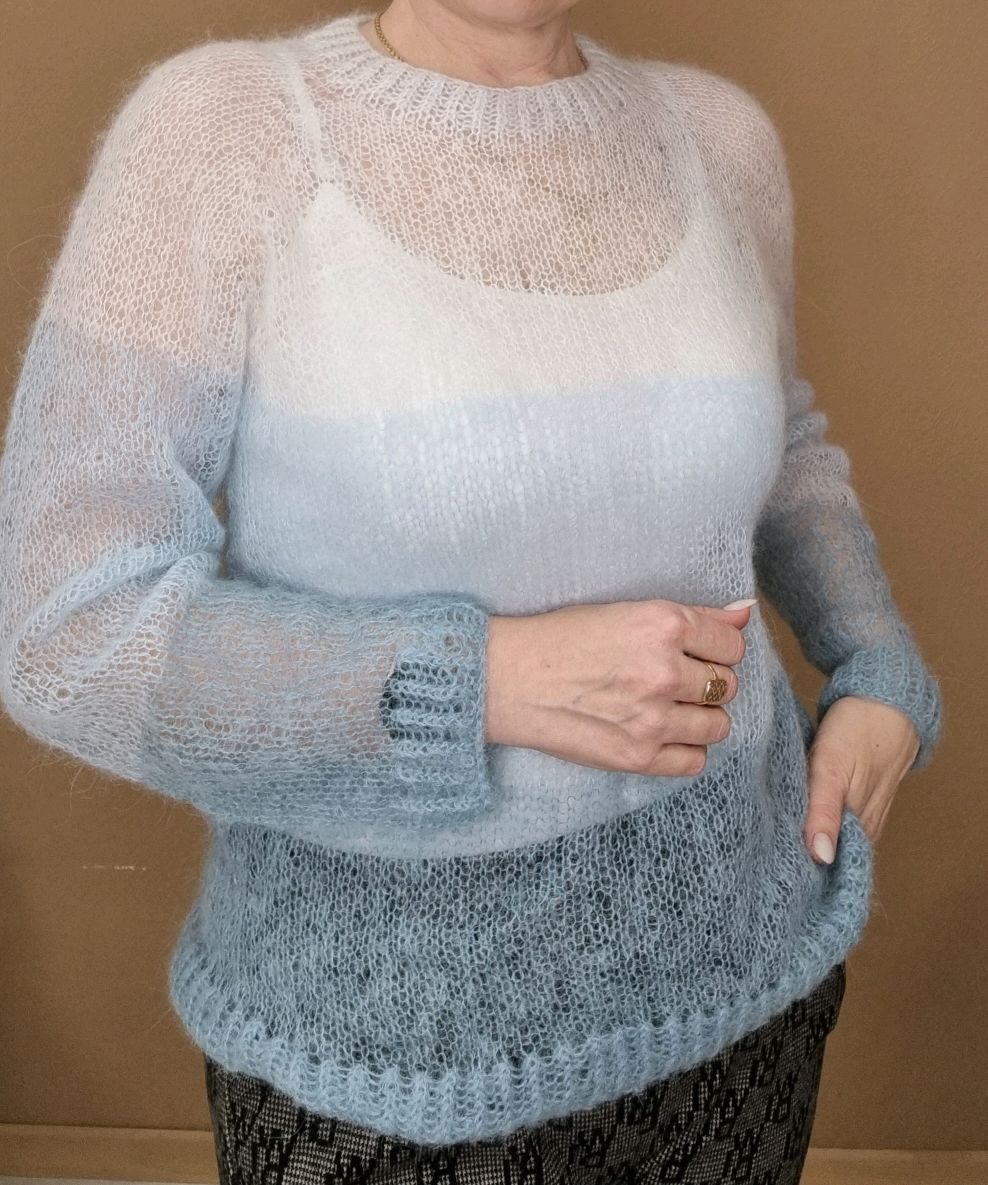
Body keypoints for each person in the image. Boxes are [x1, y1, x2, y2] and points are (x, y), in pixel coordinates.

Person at [0, 1, 943, 1181]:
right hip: (385, 1058)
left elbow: (780, 447)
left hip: (745, 994)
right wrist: (480, 681)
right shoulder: (229, 130)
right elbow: (69, 625)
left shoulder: (719, 137)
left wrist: (877, 663)